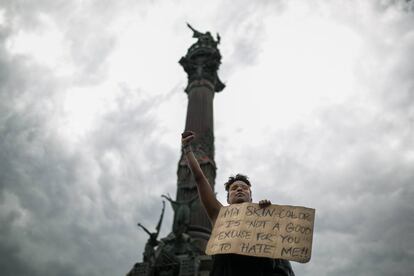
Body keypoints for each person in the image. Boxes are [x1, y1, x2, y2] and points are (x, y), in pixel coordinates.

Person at [181, 131, 295, 276]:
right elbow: (200, 178)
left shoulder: (264, 218)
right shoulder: (219, 215)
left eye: (244, 188)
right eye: (234, 188)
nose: (240, 189)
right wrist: (187, 150)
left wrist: (268, 219)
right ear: (228, 199)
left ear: (251, 197)